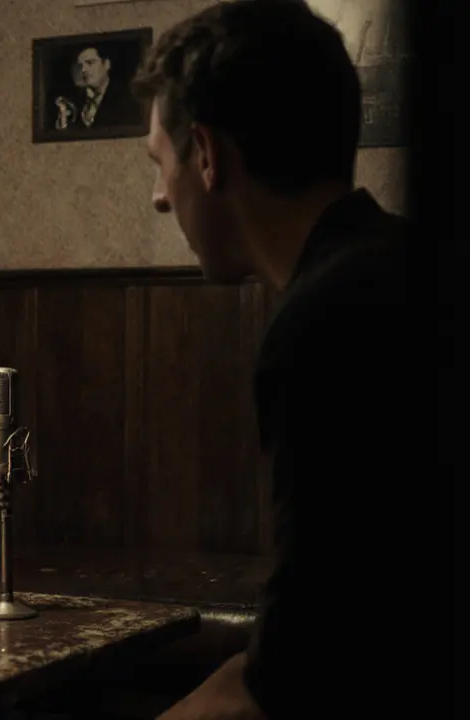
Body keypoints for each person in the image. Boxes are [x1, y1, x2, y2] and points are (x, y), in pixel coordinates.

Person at [131, 2, 413, 719]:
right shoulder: (397, 259)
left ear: (206, 153)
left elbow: (303, 676)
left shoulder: (327, 320)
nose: (161, 199)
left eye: (161, 166)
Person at [53, 46, 142, 131]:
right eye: (81, 65)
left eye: (90, 63)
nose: (83, 69)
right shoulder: (73, 101)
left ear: (107, 64)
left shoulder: (128, 98)